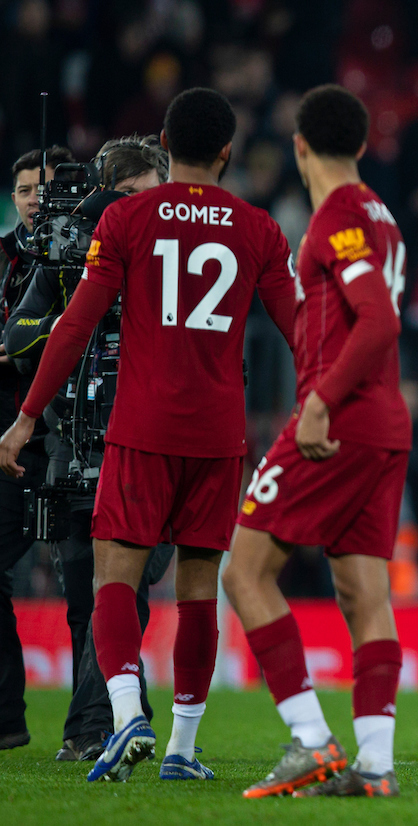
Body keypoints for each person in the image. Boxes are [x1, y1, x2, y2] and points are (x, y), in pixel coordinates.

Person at [0, 87, 296, 782]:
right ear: (228, 150)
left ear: (165, 144)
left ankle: (127, 713)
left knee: (113, 576)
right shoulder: (259, 229)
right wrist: (325, 407)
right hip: (219, 437)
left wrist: (25, 417)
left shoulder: (127, 219)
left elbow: (73, 327)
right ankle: (183, 750)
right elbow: (301, 332)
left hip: (139, 429)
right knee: (198, 587)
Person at [220, 84, 410, 799]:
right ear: (360, 145)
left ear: (301, 147)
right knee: (363, 590)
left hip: (340, 422)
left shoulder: (337, 216)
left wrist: (320, 405)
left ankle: (309, 739)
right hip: (386, 425)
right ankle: (375, 766)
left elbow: (377, 322)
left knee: (244, 572)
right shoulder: (383, 216)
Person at [4, 136, 173, 762]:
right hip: (70, 441)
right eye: (124, 198)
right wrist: (76, 315)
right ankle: (122, 711)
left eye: (145, 198)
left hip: (151, 440)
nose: (135, 211)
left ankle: (90, 727)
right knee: (86, 595)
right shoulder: (66, 256)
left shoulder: (171, 258)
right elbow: (19, 331)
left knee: (125, 584)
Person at [0, 145, 74, 752]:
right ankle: (6, 718)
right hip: (13, 438)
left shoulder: (82, 253)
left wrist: (35, 336)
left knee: (91, 582)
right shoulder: (5, 255)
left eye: (44, 189)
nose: (33, 200)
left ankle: (99, 722)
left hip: (62, 433)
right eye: (24, 190)